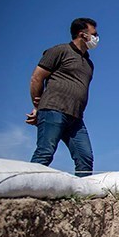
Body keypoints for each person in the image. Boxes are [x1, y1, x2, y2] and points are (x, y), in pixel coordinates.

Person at [26, 18, 99, 177]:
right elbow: (36, 78)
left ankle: (82, 199)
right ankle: (25, 194)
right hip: (53, 110)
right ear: (82, 34)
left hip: (76, 118)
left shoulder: (89, 63)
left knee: (85, 157)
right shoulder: (59, 51)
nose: (97, 37)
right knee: (45, 152)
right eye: (94, 34)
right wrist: (37, 106)